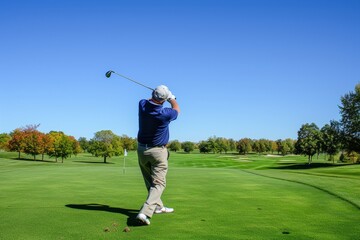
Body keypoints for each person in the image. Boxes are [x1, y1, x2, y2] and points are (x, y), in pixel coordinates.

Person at [136, 85, 180, 225]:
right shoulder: (165, 114)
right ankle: (145, 212)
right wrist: (171, 98)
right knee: (159, 184)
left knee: (150, 181)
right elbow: (177, 110)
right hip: (158, 152)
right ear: (163, 100)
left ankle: (158, 207)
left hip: (142, 150)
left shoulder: (142, 105)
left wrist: (159, 96)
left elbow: (149, 100)